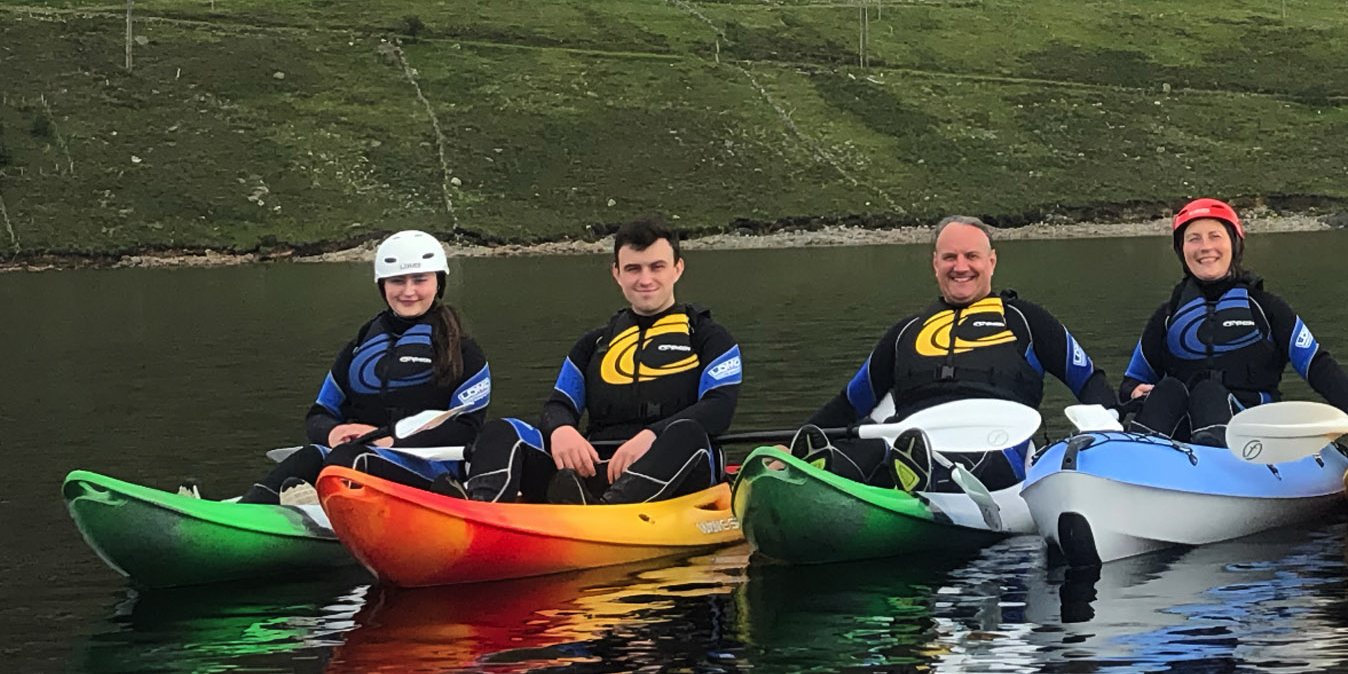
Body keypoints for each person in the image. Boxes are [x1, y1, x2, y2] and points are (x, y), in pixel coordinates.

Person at [791, 216, 1117, 491]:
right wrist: (789, 446)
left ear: (991, 261)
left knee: (959, 460)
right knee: (869, 447)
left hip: (994, 444)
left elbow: (1088, 381)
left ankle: (919, 476)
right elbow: (850, 402)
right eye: (949, 258)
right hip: (909, 440)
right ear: (935, 264)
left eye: (971, 256)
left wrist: (1114, 437)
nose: (960, 267)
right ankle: (821, 474)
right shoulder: (907, 332)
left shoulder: (1027, 321)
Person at [463, 216, 741, 505]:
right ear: (617, 274)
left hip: (679, 471)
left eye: (656, 267)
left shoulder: (710, 338)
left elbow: (719, 408)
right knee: (503, 429)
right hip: (597, 470)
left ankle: (603, 512)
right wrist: (562, 430)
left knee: (687, 433)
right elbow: (559, 405)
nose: (645, 280)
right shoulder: (593, 344)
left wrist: (651, 436)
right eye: (633, 269)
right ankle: (481, 508)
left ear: (677, 269)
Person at [241, 230, 491, 503]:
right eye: (397, 281)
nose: (409, 291)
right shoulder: (361, 345)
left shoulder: (464, 350)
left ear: (438, 283)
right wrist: (334, 432)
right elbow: (320, 413)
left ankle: (321, 505)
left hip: (430, 469)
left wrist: (391, 440)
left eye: (420, 280)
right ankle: (241, 513)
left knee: (348, 458)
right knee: (313, 454)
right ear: (383, 285)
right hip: (356, 458)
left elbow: (468, 429)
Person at [1121, 197, 1348, 445]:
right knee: (1169, 390)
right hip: (1185, 435)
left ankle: (1217, 462)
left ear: (1234, 244)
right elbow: (1131, 382)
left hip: (1254, 432)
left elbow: (1317, 365)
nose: (1205, 247)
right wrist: (1133, 390)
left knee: (1208, 392)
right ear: (1182, 250)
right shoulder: (1167, 316)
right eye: (1193, 238)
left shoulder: (1266, 308)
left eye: (1215, 236)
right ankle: (1137, 459)